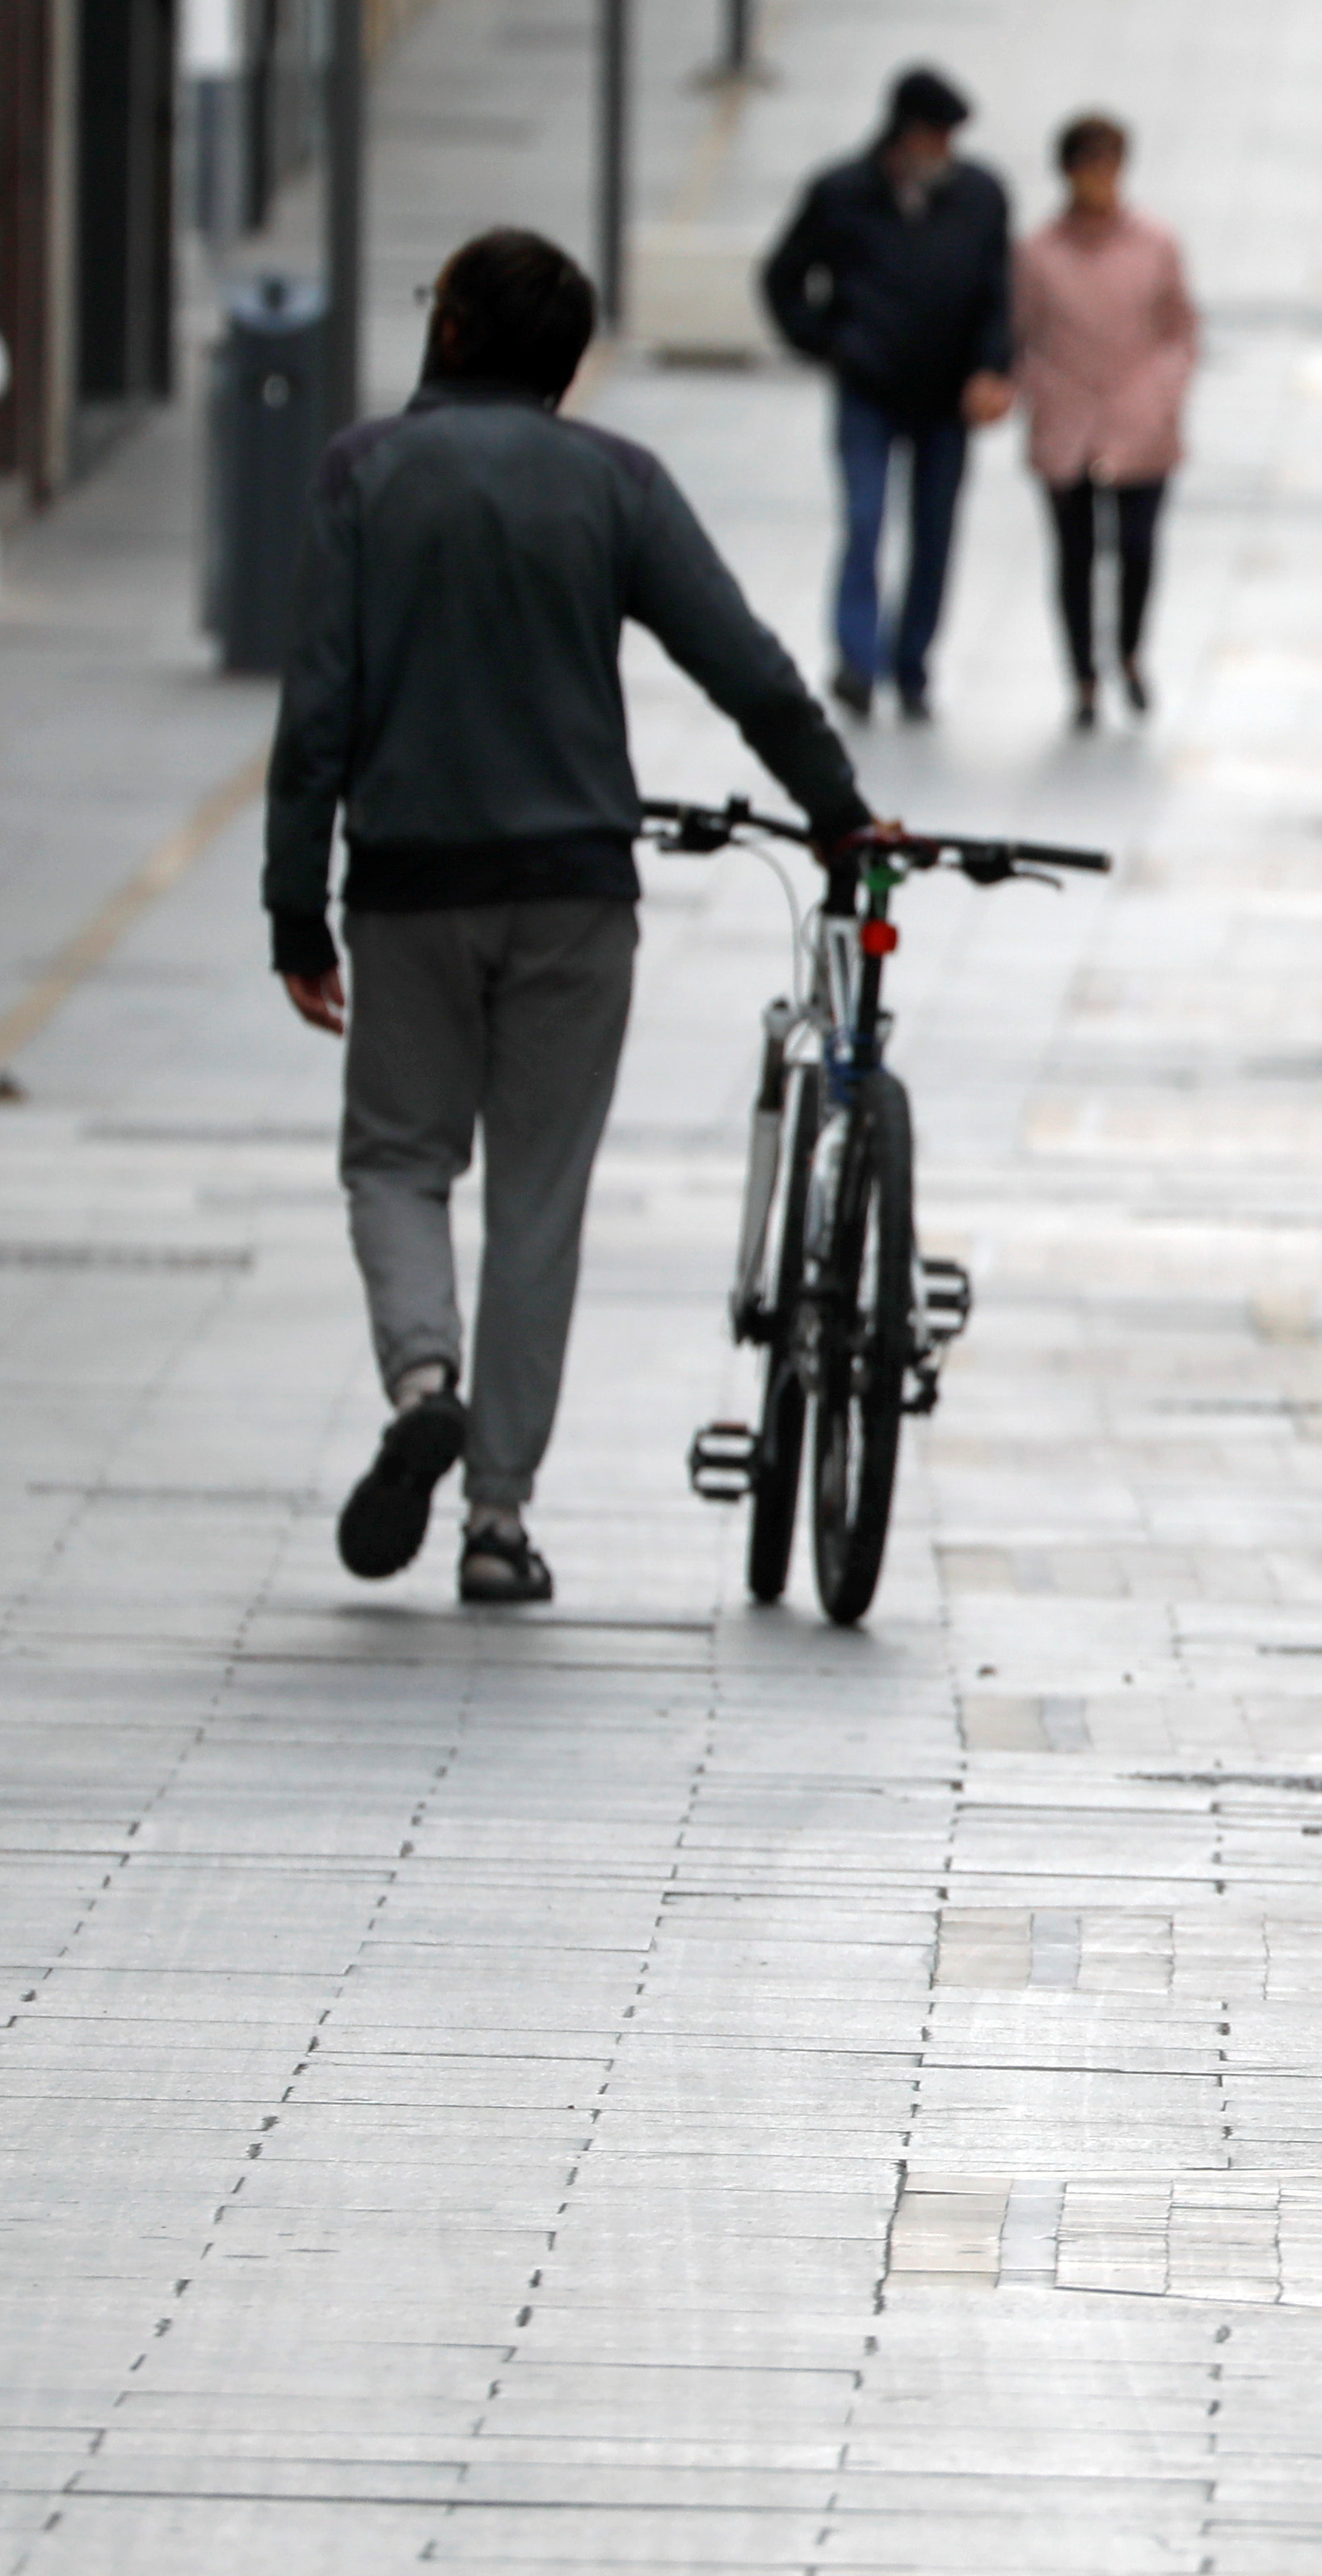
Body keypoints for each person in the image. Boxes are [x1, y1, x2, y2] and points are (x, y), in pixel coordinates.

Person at [270, 227, 874, 1608]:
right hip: (575, 891)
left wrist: (291, 908)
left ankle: (425, 1373)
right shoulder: (615, 482)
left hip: (412, 882)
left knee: (397, 1159)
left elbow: (315, 716)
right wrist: (836, 808)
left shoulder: (359, 473)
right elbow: (746, 666)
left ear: (458, 332)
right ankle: (495, 1517)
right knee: (538, 1198)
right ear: (568, 359)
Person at [762, 66, 1016, 723]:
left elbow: (998, 293)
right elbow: (784, 278)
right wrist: (828, 343)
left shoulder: (980, 197)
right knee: (866, 517)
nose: (945, 153)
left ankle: (912, 663)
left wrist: (993, 368)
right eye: (936, 137)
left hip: (946, 395)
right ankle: (857, 656)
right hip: (870, 388)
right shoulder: (842, 193)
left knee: (933, 532)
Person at [1014, 111, 1200, 729]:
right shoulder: (1038, 253)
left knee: (1138, 549)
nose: (1101, 178)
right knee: (1075, 555)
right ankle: (1083, 675)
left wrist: (1161, 392)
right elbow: (1023, 334)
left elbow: (1180, 329)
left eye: (1110, 165)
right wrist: (1041, 391)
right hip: (1068, 421)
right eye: (1089, 165)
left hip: (1141, 421)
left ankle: (1128, 650)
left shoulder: (1156, 243)